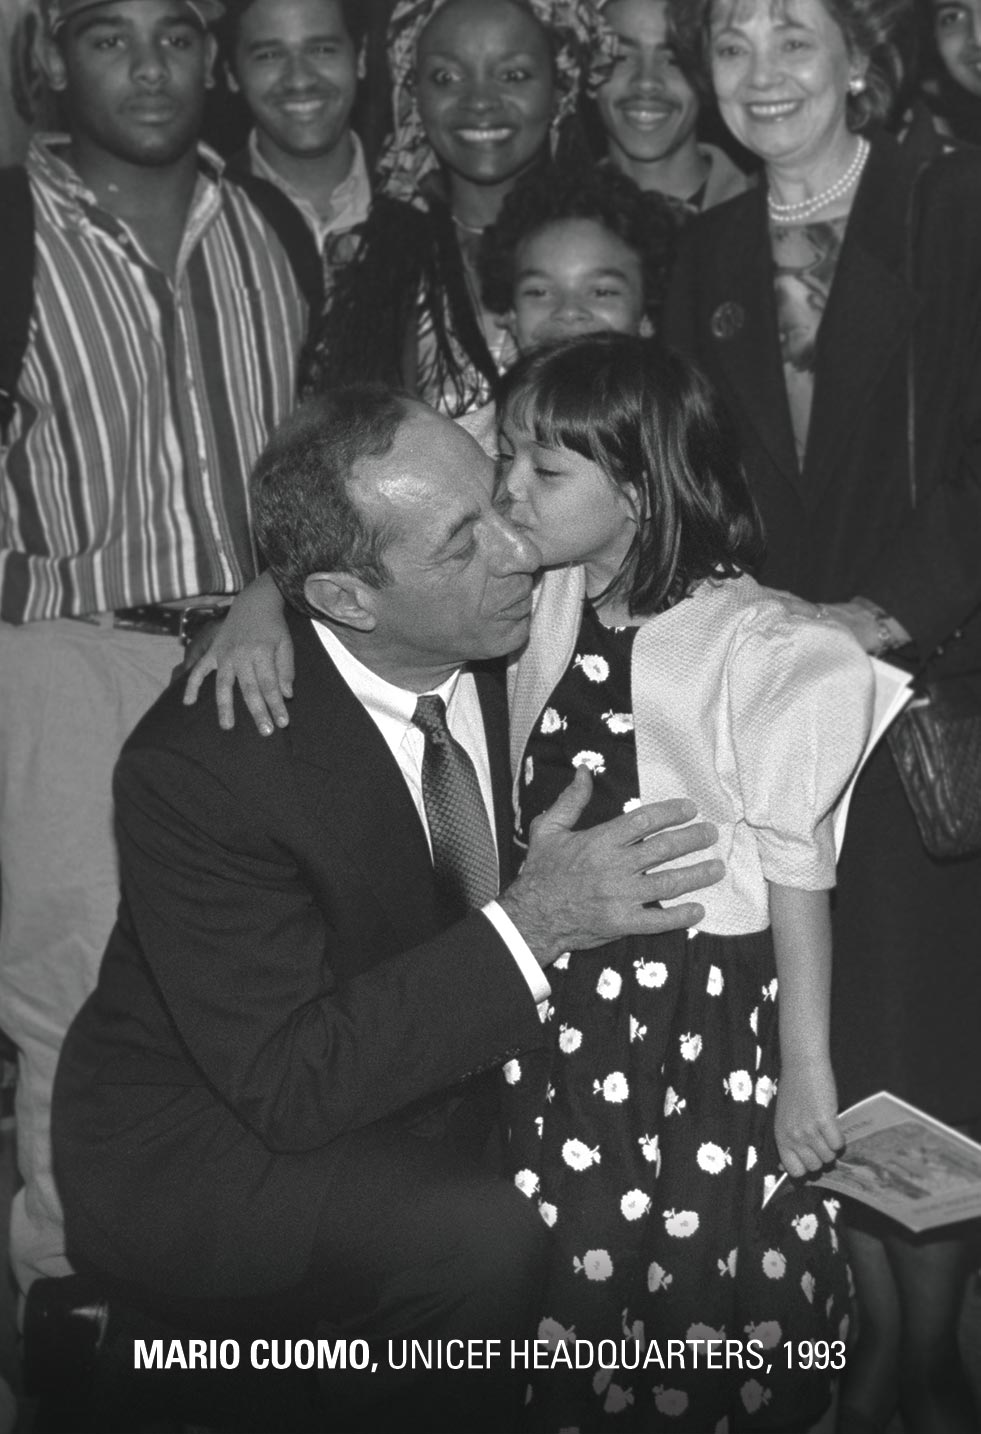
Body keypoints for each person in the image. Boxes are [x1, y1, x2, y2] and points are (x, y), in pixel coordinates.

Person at [52, 387, 725, 1433]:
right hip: (222, 1135)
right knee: (480, 1238)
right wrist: (539, 918)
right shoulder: (205, 769)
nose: (517, 552)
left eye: (501, 499)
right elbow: (289, 1082)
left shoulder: (512, 635)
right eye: (463, 545)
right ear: (348, 601)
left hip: (437, 1060)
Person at [664, 0, 981, 1427]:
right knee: (824, 1035)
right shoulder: (703, 253)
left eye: (797, 35)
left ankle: (928, 1346)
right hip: (781, 711)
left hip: (927, 695)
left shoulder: (952, 204)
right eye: (732, 43)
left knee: (927, 1029)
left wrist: (876, 616)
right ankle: (869, 1331)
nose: (763, 73)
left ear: (863, 55)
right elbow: (702, 483)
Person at [494, 332, 871, 1432]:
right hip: (566, 1009)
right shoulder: (541, 607)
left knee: (704, 1266)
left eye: (544, 472)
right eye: (507, 461)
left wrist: (807, 1068)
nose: (509, 489)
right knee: (575, 1255)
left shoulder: (754, 642)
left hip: (702, 1018)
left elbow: (801, 871)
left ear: (644, 489)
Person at [0, 0, 309, 1297]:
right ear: (51, 60)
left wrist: (277, 584)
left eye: (175, 33)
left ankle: (225, 1287)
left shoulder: (273, 225)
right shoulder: (12, 223)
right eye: (107, 33)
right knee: (72, 987)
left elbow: (310, 457)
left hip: (250, 647)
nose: (147, 64)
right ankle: (72, 1288)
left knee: (258, 978)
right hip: (65, 648)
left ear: (213, 58)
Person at [299, 0, 612, 416]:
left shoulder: (618, 251)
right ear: (413, 97)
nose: (480, 100)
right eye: (446, 77)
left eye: (513, 75)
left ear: (561, 90)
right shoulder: (362, 266)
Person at [219, 0, 372, 288]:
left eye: (322, 50)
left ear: (360, 58)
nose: (300, 79)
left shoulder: (424, 204)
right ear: (231, 74)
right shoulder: (201, 217)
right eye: (269, 55)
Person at [593, 0, 754, 211]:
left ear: (707, 73)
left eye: (674, 60)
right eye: (622, 57)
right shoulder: (555, 219)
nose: (646, 82)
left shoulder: (767, 217)